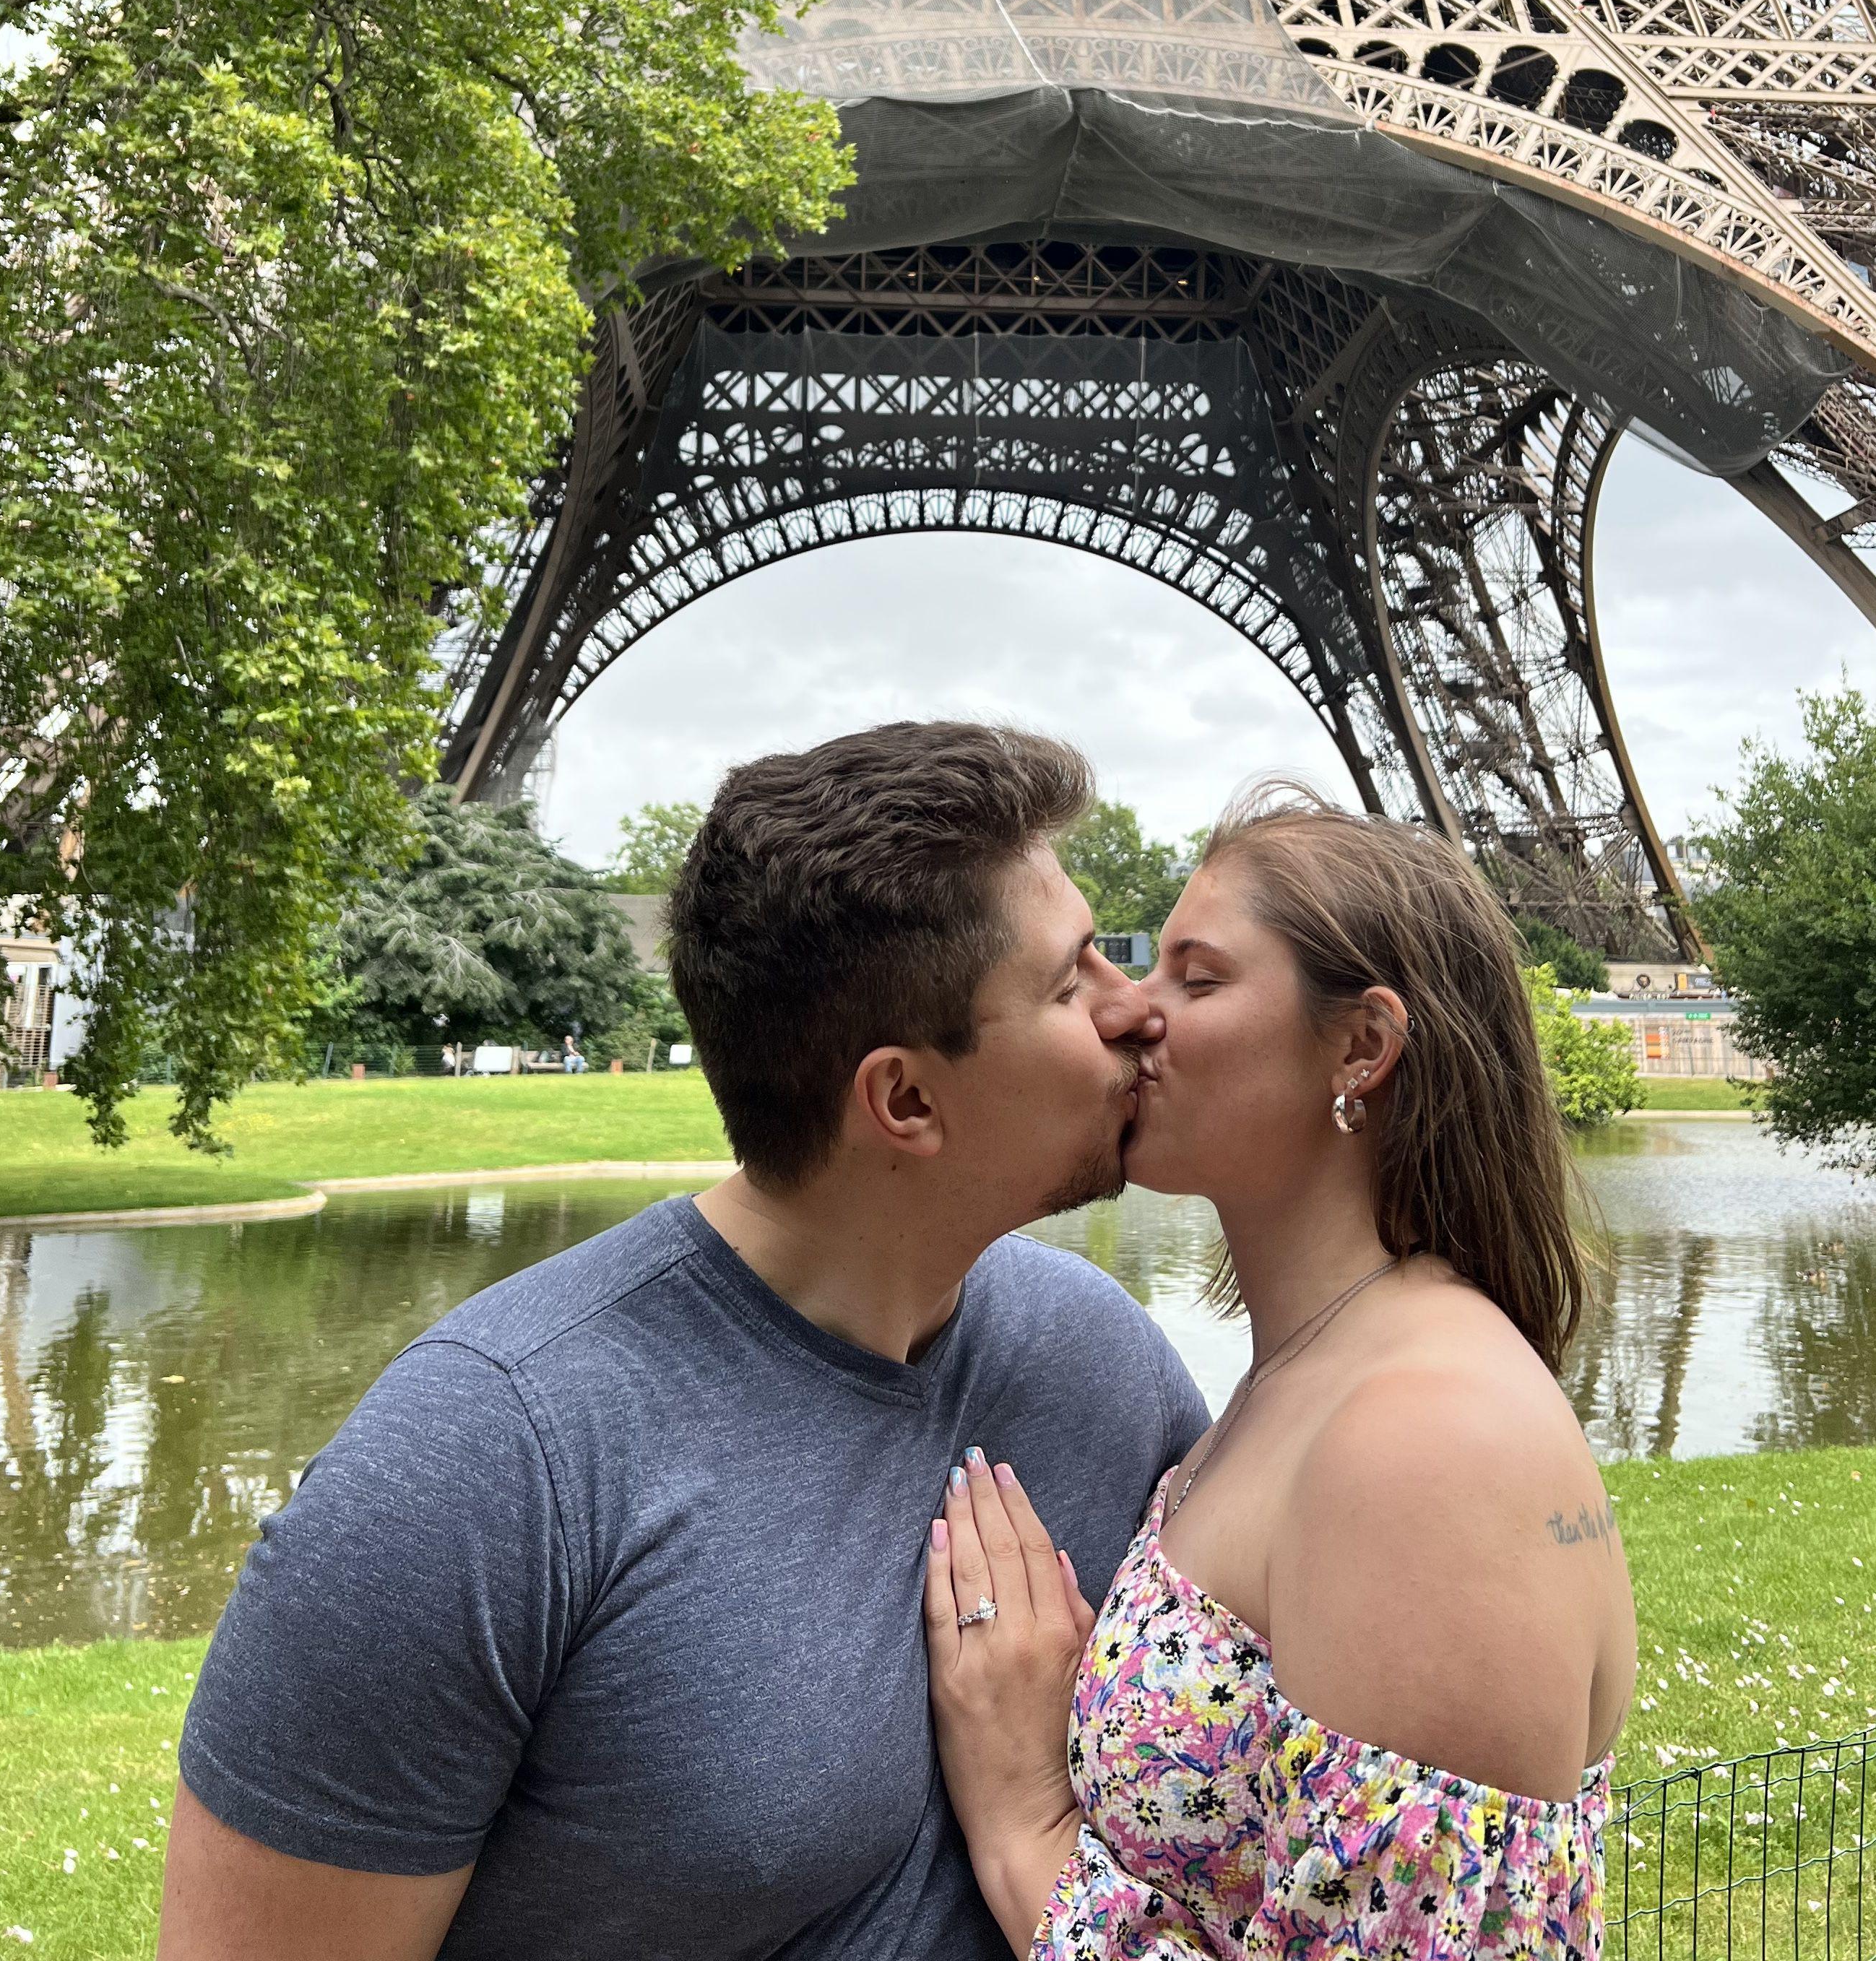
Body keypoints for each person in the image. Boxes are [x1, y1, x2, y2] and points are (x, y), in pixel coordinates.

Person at [158, 723, 1209, 1961]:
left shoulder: (1107, 1358)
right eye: (1071, 977)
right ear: (907, 1100)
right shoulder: (479, 1466)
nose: (1134, 1008)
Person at [919, 788, 1635, 1960]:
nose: (1128, 1012)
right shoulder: (1307, 1376)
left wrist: (1024, 1823)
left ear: (1362, 1046)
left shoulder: (1427, 1438)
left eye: (1197, 981)